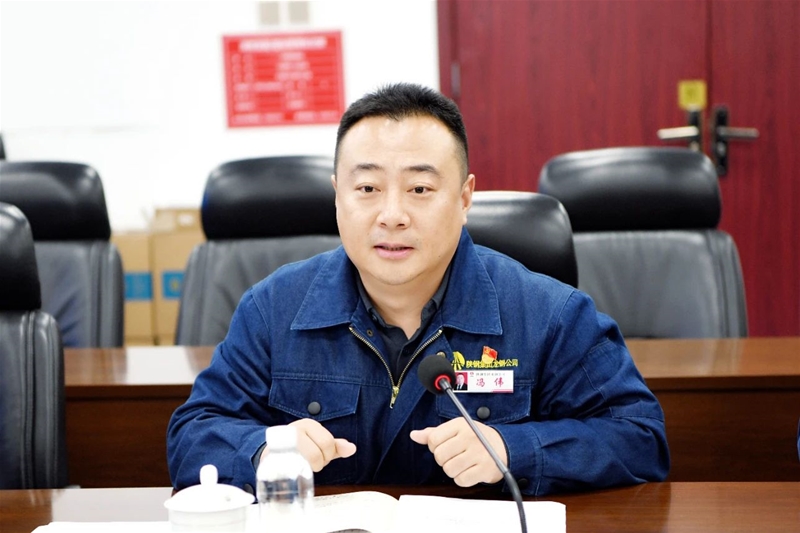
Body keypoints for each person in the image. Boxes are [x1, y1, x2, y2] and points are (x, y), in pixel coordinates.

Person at [167, 83, 670, 495]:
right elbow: (193, 436)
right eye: (367, 189)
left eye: (420, 189)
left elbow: (640, 438)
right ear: (338, 197)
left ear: (465, 198)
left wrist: (512, 450)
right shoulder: (275, 308)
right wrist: (264, 450)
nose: (392, 215)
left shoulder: (548, 313)